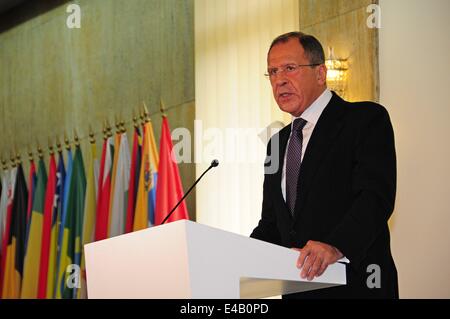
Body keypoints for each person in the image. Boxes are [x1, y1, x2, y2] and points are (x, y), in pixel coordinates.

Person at [250, 32, 398, 298]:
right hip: (298, 288)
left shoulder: (364, 120)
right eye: (272, 72)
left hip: (357, 286)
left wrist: (335, 245)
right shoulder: (277, 143)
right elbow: (272, 224)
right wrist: (235, 257)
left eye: (290, 68)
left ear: (321, 73)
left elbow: (375, 198)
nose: (279, 79)